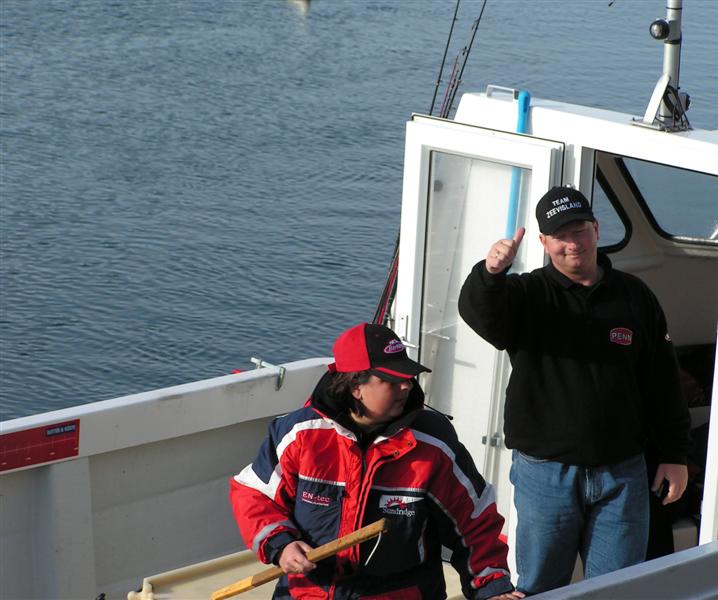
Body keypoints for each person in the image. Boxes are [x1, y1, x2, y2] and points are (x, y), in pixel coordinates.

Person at [457, 186, 692, 594]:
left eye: (579, 230)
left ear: (596, 230)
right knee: (541, 588)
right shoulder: (525, 294)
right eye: (560, 236)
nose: (572, 243)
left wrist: (675, 454)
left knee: (617, 589)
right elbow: (481, 314)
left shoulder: (635, 296)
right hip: (545, 475)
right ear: (544, 242)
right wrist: (491, 274)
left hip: (622, 474)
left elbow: (663, 380)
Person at [229, 322, 524, 600]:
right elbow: (254, 495)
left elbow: (474, 522)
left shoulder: (433, 444)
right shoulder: (299, 434)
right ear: (355, 387)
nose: (406, 386)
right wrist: (281, 545)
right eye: (391, 380)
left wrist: (491, 587)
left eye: (407, 377)